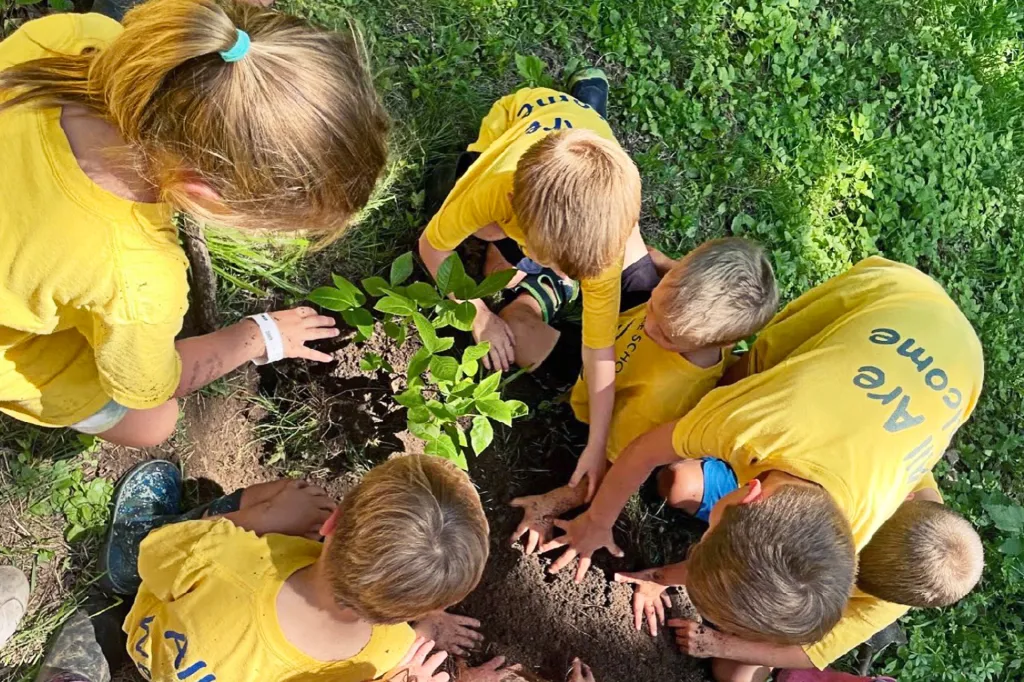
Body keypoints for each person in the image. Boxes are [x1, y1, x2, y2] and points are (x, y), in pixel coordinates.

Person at [0, 0, 389, 448]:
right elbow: (153, 385)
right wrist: (261, 335)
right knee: (155, 422)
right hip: (13, 343)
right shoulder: (137, 279)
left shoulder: (75, 36)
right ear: (203, 193)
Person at [542, 256, 984, 646]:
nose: (704, 528)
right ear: (747, 490)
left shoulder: (856, 531)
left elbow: (738, 561)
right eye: (710, 526)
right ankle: (682, 287)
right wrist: (596, 523)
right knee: (765, 355)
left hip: (965, 369)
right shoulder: (748, 422)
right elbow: (642, 452)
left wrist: (660, 578)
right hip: (891, 295)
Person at [418, 71, 644, 503]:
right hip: (521, 117)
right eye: (553, 263)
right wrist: (478, 313)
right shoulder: (495, 190)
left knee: (583, 130)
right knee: (478, 231)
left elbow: (599, 350)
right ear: (518, 219)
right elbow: (431, 245)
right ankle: (583, 104)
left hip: (587, 135)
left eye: (570, 270)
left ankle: (588, 104)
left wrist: (597, 444)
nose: (564, 271)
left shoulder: (607, 246)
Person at [100, 456, 488, 682]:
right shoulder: (385, 655)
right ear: (414, 613)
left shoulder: (229, 555)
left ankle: (120, 564)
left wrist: (262, 518)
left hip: (155, 653)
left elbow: (153, 554)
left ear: (331, 524)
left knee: (289, 496)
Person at [509, 238, 779, 554]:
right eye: (656, 304)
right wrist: (662, 266)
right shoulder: (686, 303)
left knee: (515, 326)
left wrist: (550, 504)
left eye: (666, 335)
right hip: (618, 330)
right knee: (622, 237)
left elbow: (610, 468)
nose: (652, 327)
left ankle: (555, 285)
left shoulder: (666, 398)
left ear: (713, 342)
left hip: (592, 378)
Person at [662, 477, 983, 682]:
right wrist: (662, 577)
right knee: (678, 484)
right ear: (903, 497)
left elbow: (811, 653)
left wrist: (717, 643)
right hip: (765, 511)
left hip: (789, 592)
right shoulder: (887, 470)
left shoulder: (896, 585)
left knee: (732, 676)